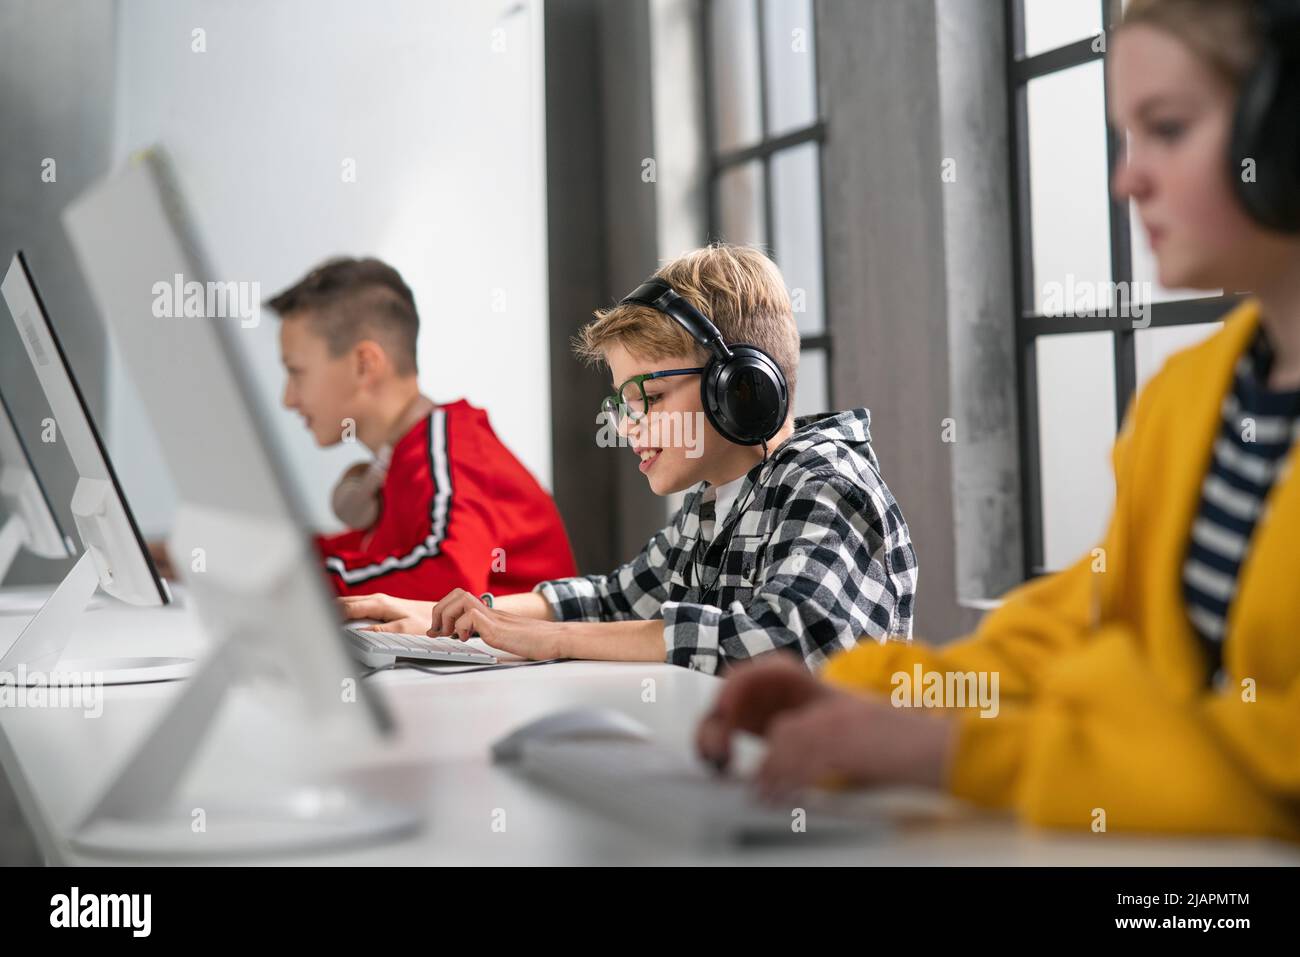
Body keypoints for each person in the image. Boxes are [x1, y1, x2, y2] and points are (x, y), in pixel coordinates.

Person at [695, 0, 1300, 841]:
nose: (1128, 179)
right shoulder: (1191, 394)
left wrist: (957, 752)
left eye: (1167, 128)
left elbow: (1275, 786)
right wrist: (871, 691)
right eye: (1128, 136)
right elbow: (1083, 625)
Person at [343, 243, 918, 672]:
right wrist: (457, 618)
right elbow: (612, 599)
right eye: (622, 402)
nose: (625, 425)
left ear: (738, 387)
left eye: (651, 397)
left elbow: (785, 640)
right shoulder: (713, 501)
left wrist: (557, 641)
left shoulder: (825, 482)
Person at [270, 256, 577, 599]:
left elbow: (449, 575)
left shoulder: (450, 450)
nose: (288, 398)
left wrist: (297, 580)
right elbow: (381, 559)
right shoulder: (412, 456)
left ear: (364, 365)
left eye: (296, 372)